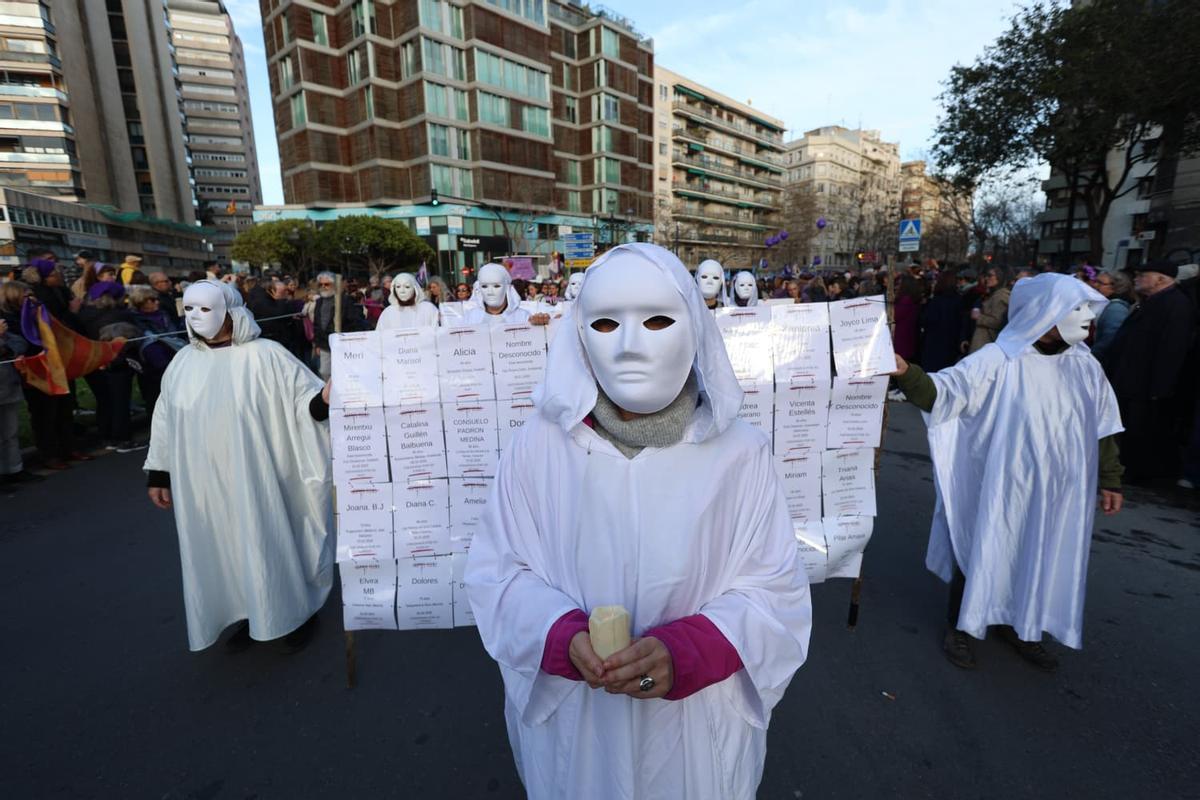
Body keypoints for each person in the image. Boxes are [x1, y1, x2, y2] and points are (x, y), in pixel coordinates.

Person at [465, 243, 811, 799]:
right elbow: (496, 573)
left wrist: (693, 650)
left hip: (694, 739)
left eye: (655, 320)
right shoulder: (537, 448)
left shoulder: (739, 454)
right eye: (605, 323)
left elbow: (776, 592)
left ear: (694, 325)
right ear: (580, 334)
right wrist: (559, 634)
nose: (629, 346)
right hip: (578, 735)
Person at [893, 273, 1123, 672]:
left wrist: (1110, 478)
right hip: (1002, 484)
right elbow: (944, 393)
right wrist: (905, 372)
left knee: (1038, 550)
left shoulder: (1086, 368)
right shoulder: (998, 361)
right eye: (1076, 308)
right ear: (1044, 314)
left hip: (1059, 493)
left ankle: (1021, 624)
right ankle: (961, 627)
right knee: (984, 545)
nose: (1087, 317)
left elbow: (1102, 427)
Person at [144, 280, 333, 653]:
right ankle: (247, 612)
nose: (197, 317)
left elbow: (305, 406)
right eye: (190, 309)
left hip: (258, 478)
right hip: (203, 486)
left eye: (206, 308)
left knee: (268, 540)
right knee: (222, 548)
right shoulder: (183, 363)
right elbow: (165, 420)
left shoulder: (266, 356)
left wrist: (325, 398)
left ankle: (293, 613)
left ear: (232, 311)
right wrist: (159, 473)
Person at [1101, 261, 1196, 483]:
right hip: (1133, 381)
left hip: (1147, 386)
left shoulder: (1176, 304)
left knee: (1142, 431)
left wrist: (1159, 388)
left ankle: (1140, 473)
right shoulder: (1153, 302)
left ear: (1161, 279)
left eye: (1144, 275)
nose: (1137, 278)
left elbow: (1172, 350)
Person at [78, 281, 142, 453]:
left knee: (104, 401)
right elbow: (132, 338)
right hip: (117, 363)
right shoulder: (120, 315)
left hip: (93, 364)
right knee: (120, 401)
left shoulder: (83, 315)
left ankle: (106, 437)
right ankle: (123, 439)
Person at [127, 285, 182, 418]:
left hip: (174, 357)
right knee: (156, 397)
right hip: (156, 365)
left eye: (156, 299)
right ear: (141, 302)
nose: (157, 302)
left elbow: (174, 333)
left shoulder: (163, 314)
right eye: (151, 300)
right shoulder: (136, 320)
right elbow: (148, 343)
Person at [313, 271, 371, 379]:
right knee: (325, 372)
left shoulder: (345, 301)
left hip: (342, 345)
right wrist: (317, 343)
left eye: (327, 284)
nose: (323, 287)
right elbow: (317, 324)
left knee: (343, 373)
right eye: (321, 285)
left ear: (334, 284)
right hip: (325, 344)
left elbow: (356, 322)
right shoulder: (319, 302)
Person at [462, 263, 549, 326]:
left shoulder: (523, 317)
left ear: (507, 288)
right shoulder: (470, 318)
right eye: (485, 286)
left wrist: (540, 323)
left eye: (496, 286)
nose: (490, 292)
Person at [918, 271, 968, 373]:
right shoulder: (959, 300)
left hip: (933, 343)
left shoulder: (936, 301)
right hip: (951, 343)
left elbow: (926, 320)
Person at [1089, 270, 1134, 360]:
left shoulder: (1116, 308)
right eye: (1095, 281)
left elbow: (1109, 339)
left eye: (1100, 283)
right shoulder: (1102, 302)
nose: (1095, 285)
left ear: (1115, 287)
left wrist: (1091, 357)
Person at [967, 267, 1010, 354]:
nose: (987, 278)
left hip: (986, 344)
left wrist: (979, 317)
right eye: (986, 275)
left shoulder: (1001, 296)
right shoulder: (993, 294)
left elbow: (999, 322)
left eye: (990, 275)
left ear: (1000, 277)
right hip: (982, 343)